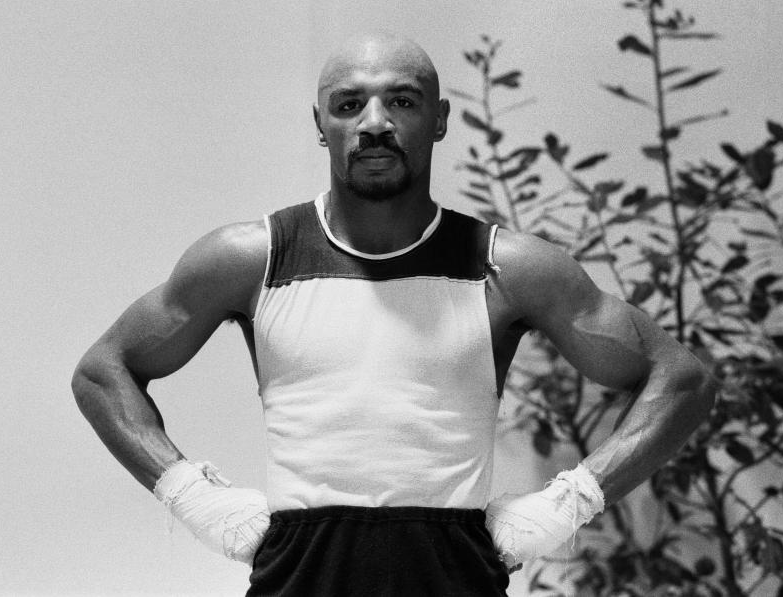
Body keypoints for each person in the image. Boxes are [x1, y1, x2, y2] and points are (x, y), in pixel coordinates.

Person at [72, 32, 716, 596]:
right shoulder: (250, 258)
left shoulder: (509, 268)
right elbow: (104, 372)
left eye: (401, 101)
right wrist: (194, 499)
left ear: (438, 120)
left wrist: (567, 504)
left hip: (456, 579)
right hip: (298, 581)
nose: (374, 122)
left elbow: (682, 380)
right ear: (320, 123)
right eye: (349, 104)